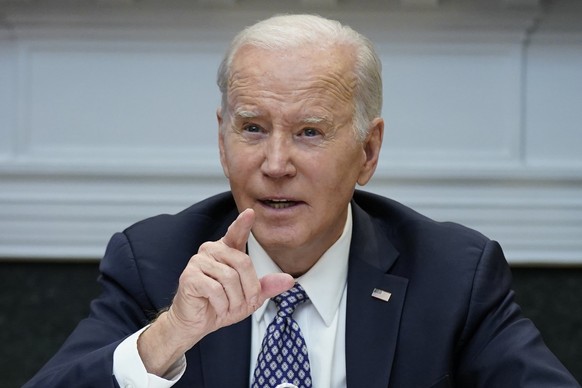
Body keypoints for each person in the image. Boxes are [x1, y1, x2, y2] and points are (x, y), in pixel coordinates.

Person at [25, 13, 579, 388]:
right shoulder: (155, 260)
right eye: (252, 128)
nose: (275, 163)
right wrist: (170, 335)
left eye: (310, 132)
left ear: (368, 150)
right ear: (222, 141)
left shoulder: (453, 275)